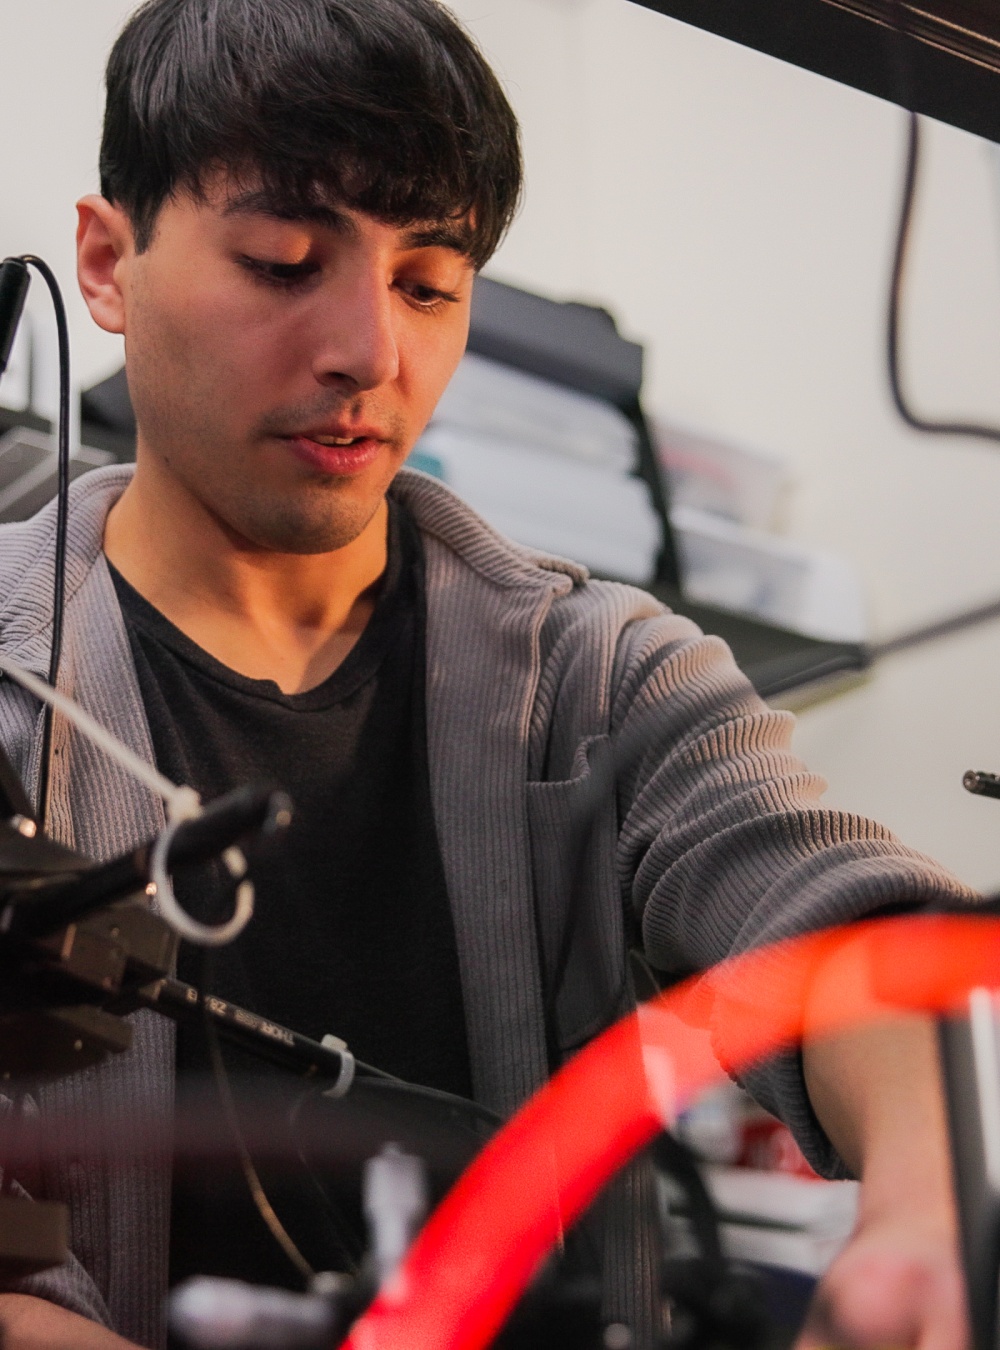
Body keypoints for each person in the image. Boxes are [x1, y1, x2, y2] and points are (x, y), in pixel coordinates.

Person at [0, 0, 975, 1346]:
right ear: (108, 263)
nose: (370, 355)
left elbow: (856, 938)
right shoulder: (15, 686)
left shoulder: (602, 678)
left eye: (428, 284)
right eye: (286, 261)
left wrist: (926, 1219)